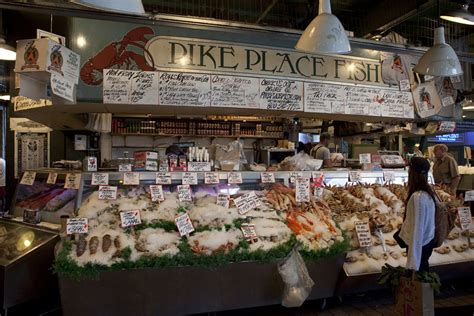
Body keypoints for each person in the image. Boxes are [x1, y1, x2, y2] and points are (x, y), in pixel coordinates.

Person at [396, 157, 436, 272]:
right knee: (424, 274)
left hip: (420, 245)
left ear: (412, 173)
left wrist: (412, 264)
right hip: (427, 241)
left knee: (419, 282)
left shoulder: (418, 197)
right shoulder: (428, 192)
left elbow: (417, 229)